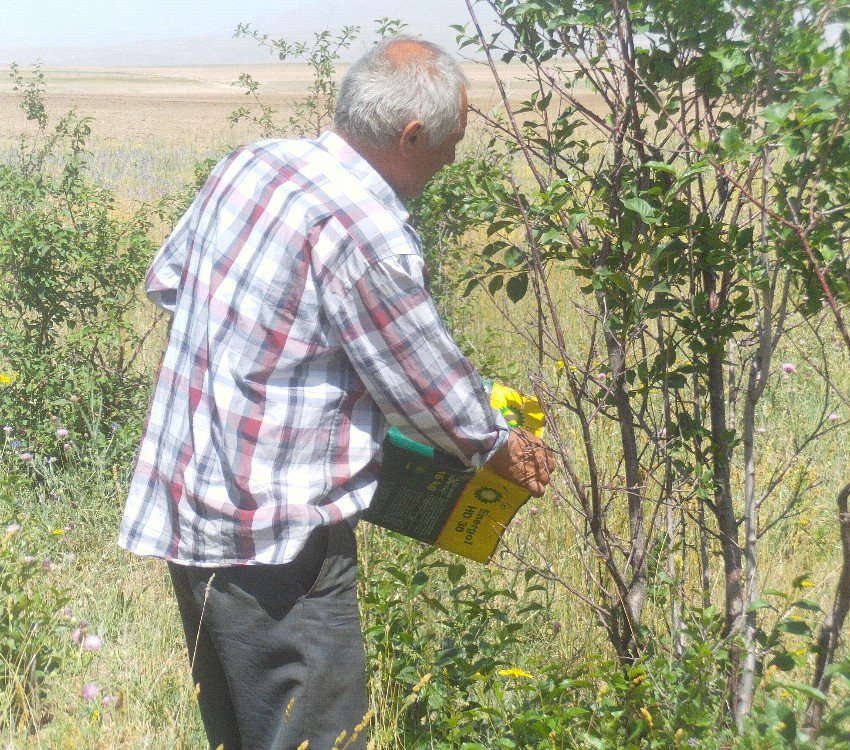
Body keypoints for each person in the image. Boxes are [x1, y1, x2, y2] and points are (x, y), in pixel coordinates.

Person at [119, 36, 554, 750]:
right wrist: (497, 445)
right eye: (449, 142)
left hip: (189, 510)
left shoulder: (251, 163)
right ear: (412, 135)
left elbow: (169, 281)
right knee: (321, 736)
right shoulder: (367, 230)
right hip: (278, 541)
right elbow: (426, 389)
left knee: (238, 730)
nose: (450, 159)